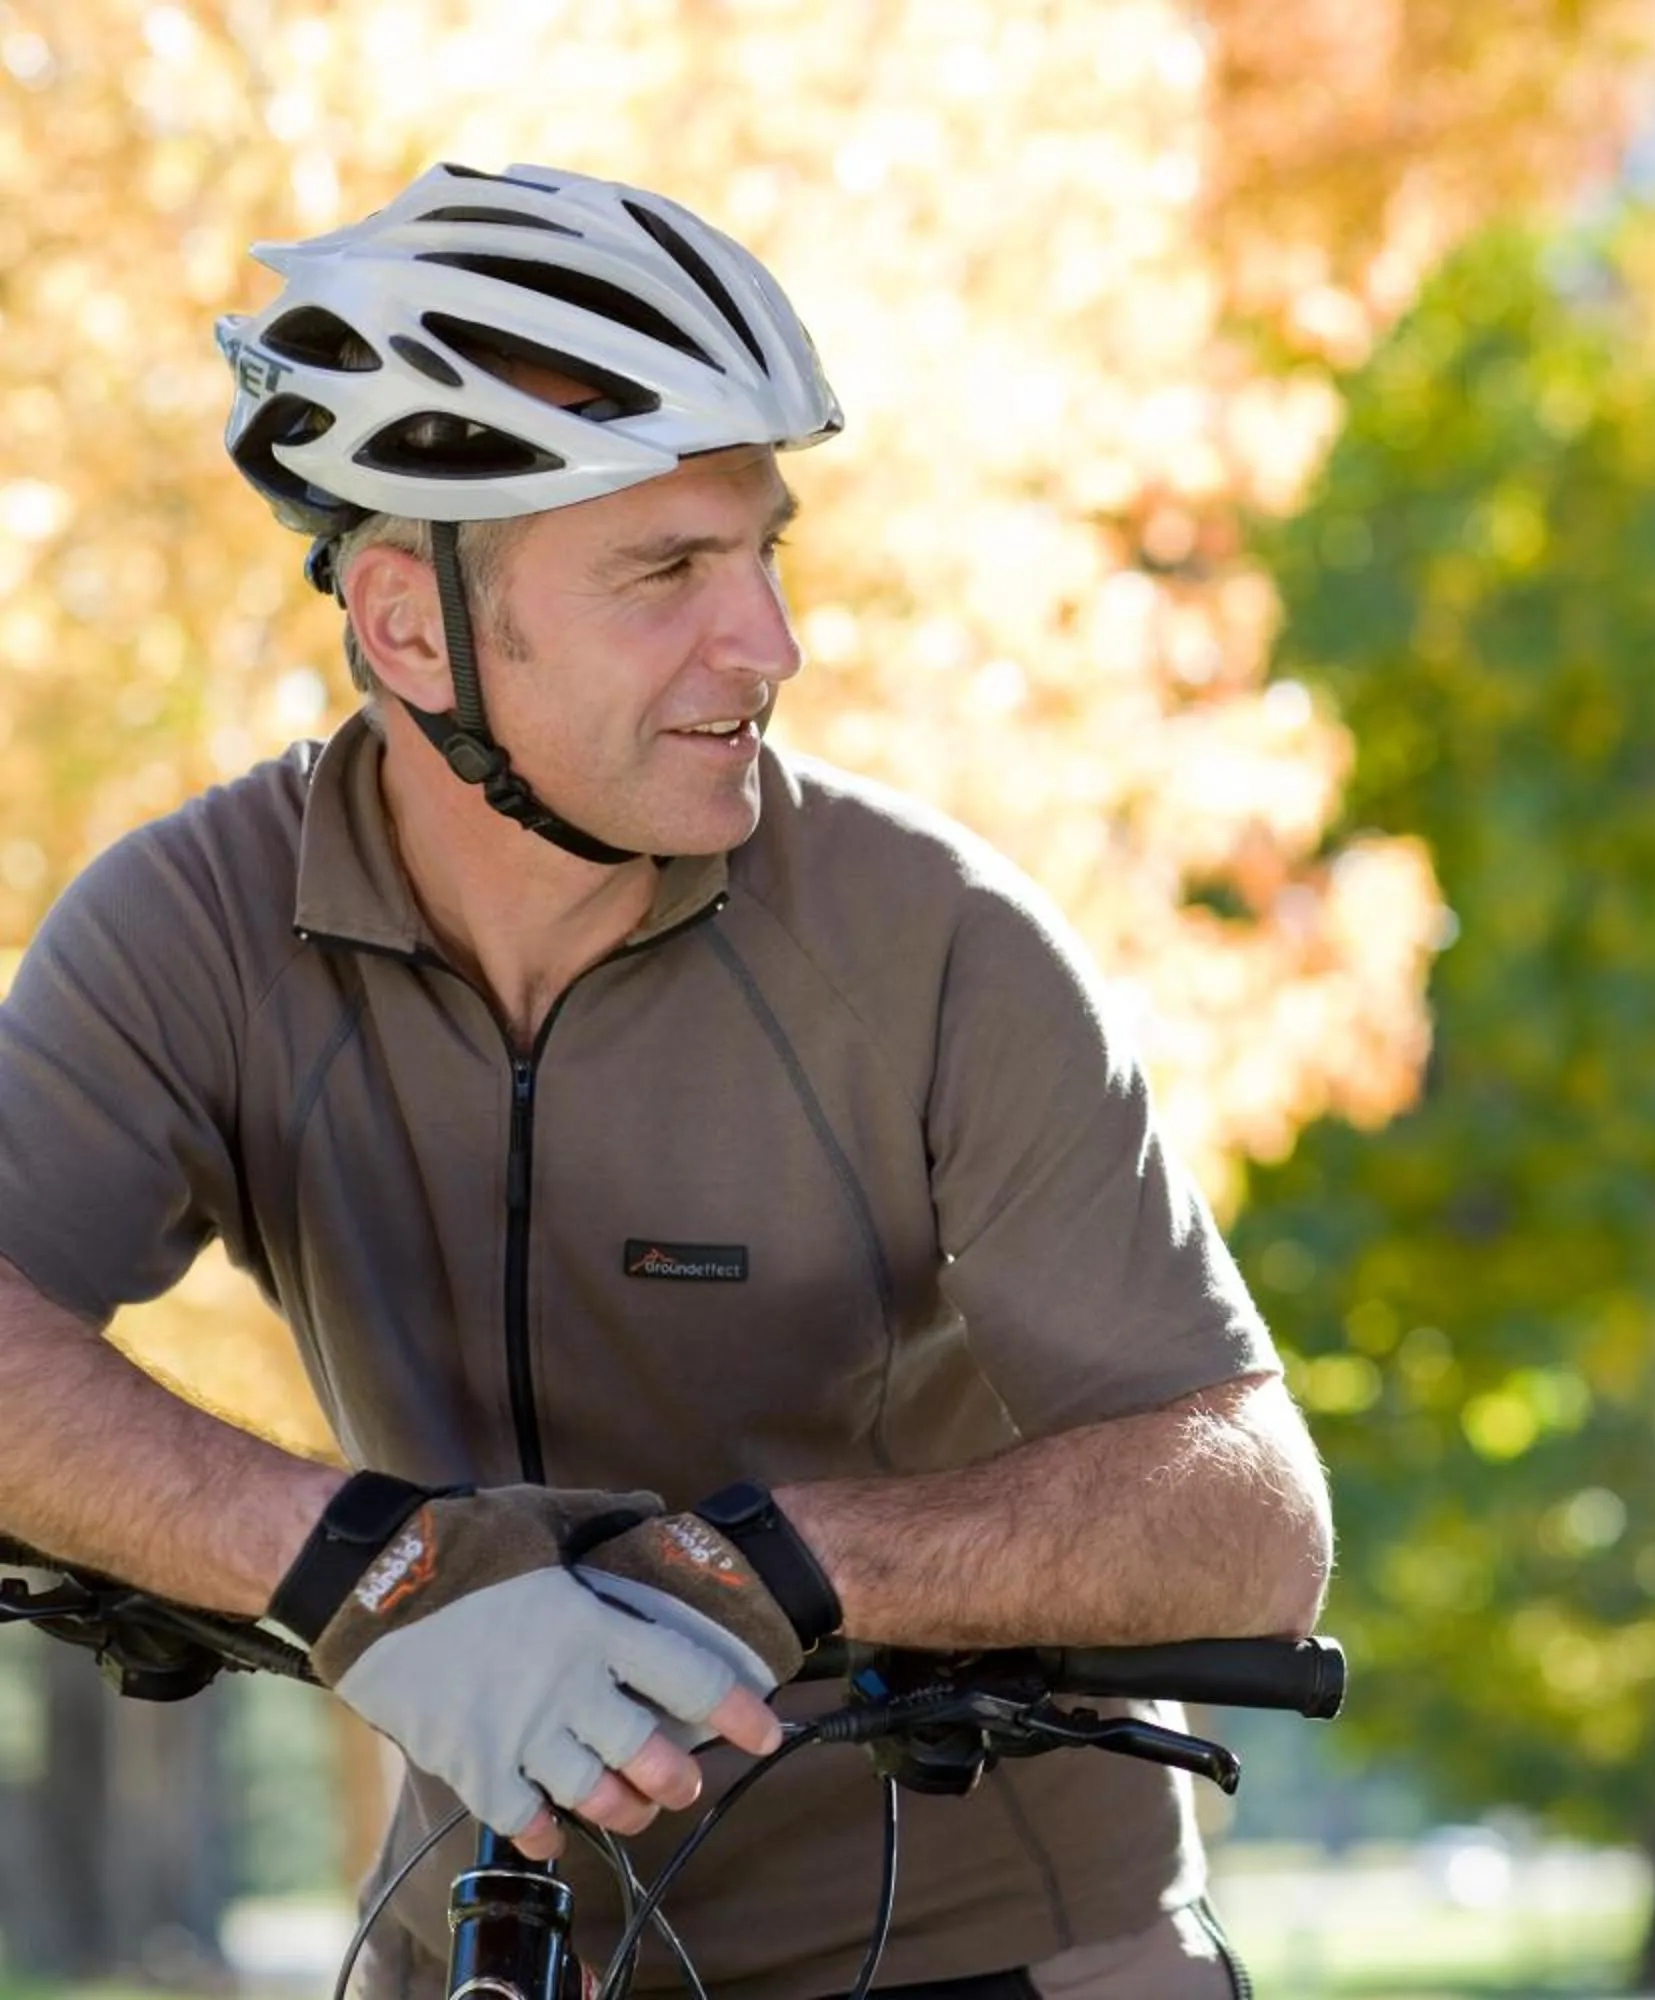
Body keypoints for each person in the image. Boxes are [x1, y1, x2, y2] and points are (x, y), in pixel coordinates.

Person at [0, 161, 1330, 2000]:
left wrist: (777, 1566)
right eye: (666, 572)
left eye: (762, 549)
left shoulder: (932, 944)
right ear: (409, 628)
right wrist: (367, 1570)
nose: (767, 643)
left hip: (996, 1951)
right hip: (479, 1936)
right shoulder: (193, 930)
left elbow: (1250, 1516)